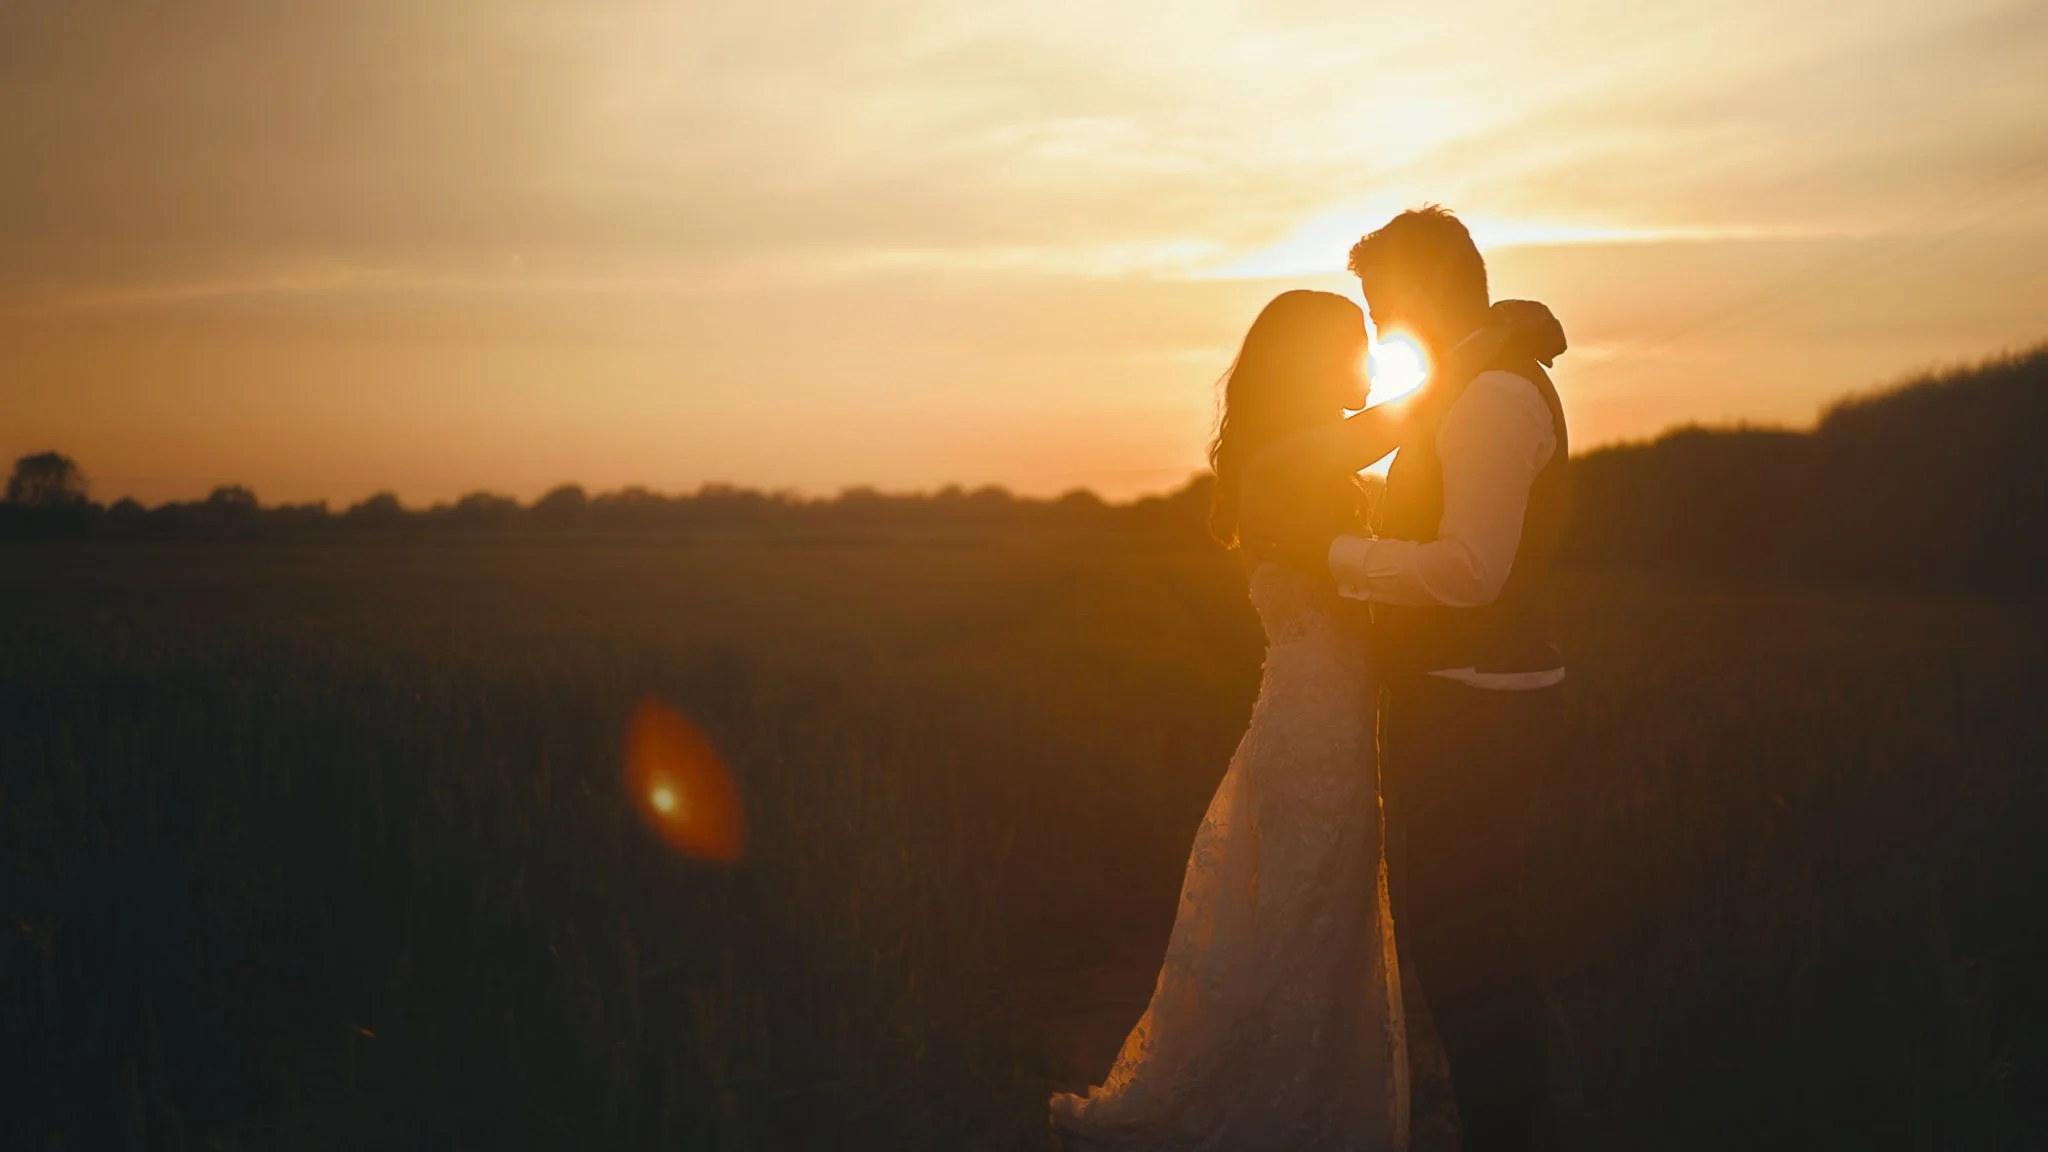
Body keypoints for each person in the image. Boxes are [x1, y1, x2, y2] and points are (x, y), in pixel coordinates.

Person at [1048, 285, 1564, 1151]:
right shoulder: (1291, 459)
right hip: (1315, 728)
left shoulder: (1297, 452)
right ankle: (1280, 1113)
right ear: (1309, 360)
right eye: (1356, 341)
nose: (1369, 359)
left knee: (1321, 927)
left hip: (1331, 721)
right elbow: (1414, 415)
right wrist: (1497, 333)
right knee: (1306, 927)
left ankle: (1308, 1103)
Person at [1245, 206, 1573, 1152]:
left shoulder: (1491, 397)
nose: (1383, 330)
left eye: (1384, 305)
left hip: (1480, 701)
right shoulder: (1465, 385)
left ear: (1425, 294)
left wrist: (1338, 549)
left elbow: (1473, 571)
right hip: (1456, 697)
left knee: (1472, 949)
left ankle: (1513, 1128)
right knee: (1463, 940)